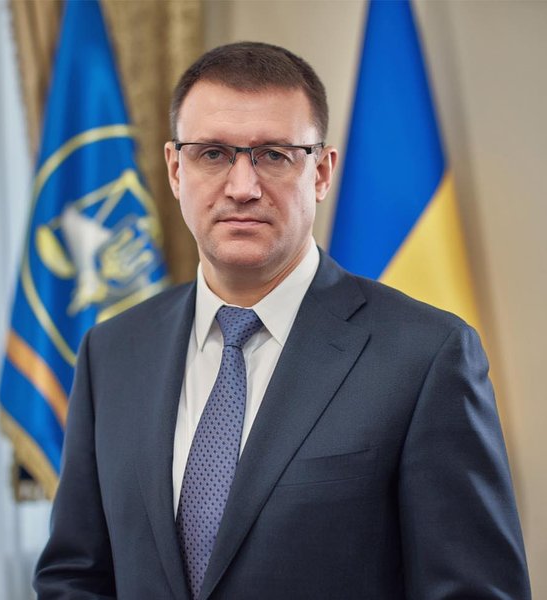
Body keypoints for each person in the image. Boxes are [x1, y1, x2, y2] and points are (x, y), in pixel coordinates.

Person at [34, 42, 531, 599]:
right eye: (213, 154)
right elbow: (75, 576)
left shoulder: (426, 356)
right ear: (175, 169)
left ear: (321, 172)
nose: (242, 188)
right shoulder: (112, 351)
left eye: (274, 155)